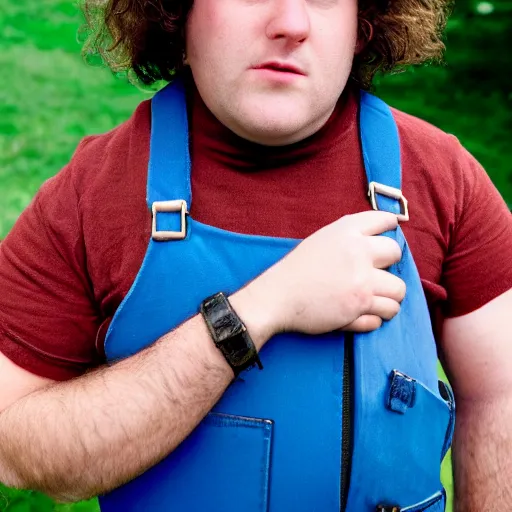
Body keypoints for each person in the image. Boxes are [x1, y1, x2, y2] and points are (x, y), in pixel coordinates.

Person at [0, 0, 511, 509]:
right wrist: (261, 309)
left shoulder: (445, 180)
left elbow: (500, 399)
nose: (290, 23)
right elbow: (14, 448)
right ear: (178, 14)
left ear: (362, 25)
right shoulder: (91, 198)